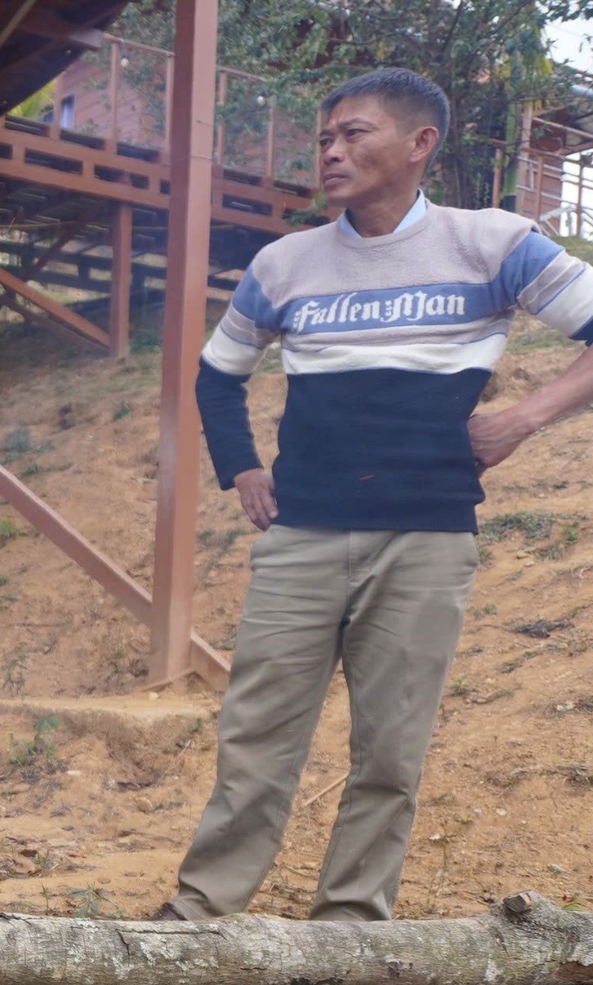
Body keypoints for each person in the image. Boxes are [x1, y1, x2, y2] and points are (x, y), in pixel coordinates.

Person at [156, 69, 593, 925]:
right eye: (324, 139)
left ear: (420, 143)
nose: (330, 151)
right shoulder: (285, 263)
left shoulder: (495, 243)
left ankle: (352, 925)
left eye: (353, 134)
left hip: (427, 538)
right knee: (257, 739)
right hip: (303, 534)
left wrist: (525, 419)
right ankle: (202, 913)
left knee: (390, 748)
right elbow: (217, 373)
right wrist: (241, 466)